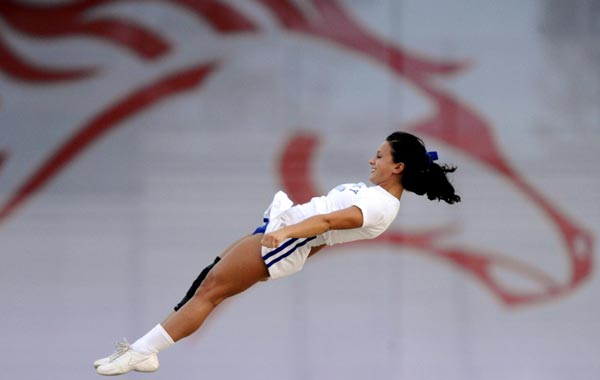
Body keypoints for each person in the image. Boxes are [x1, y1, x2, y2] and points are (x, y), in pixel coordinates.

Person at [93, 131, 461, 375]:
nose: (372, 160)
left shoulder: (382, 206)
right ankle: (148, 345)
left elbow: (330, 222)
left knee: (212, 292)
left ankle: (142, 351)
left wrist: (286, 234)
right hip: (282, 232)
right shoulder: (374, 193)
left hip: (286, 238)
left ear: (398, 167)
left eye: (379, 156)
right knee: (209, 278)